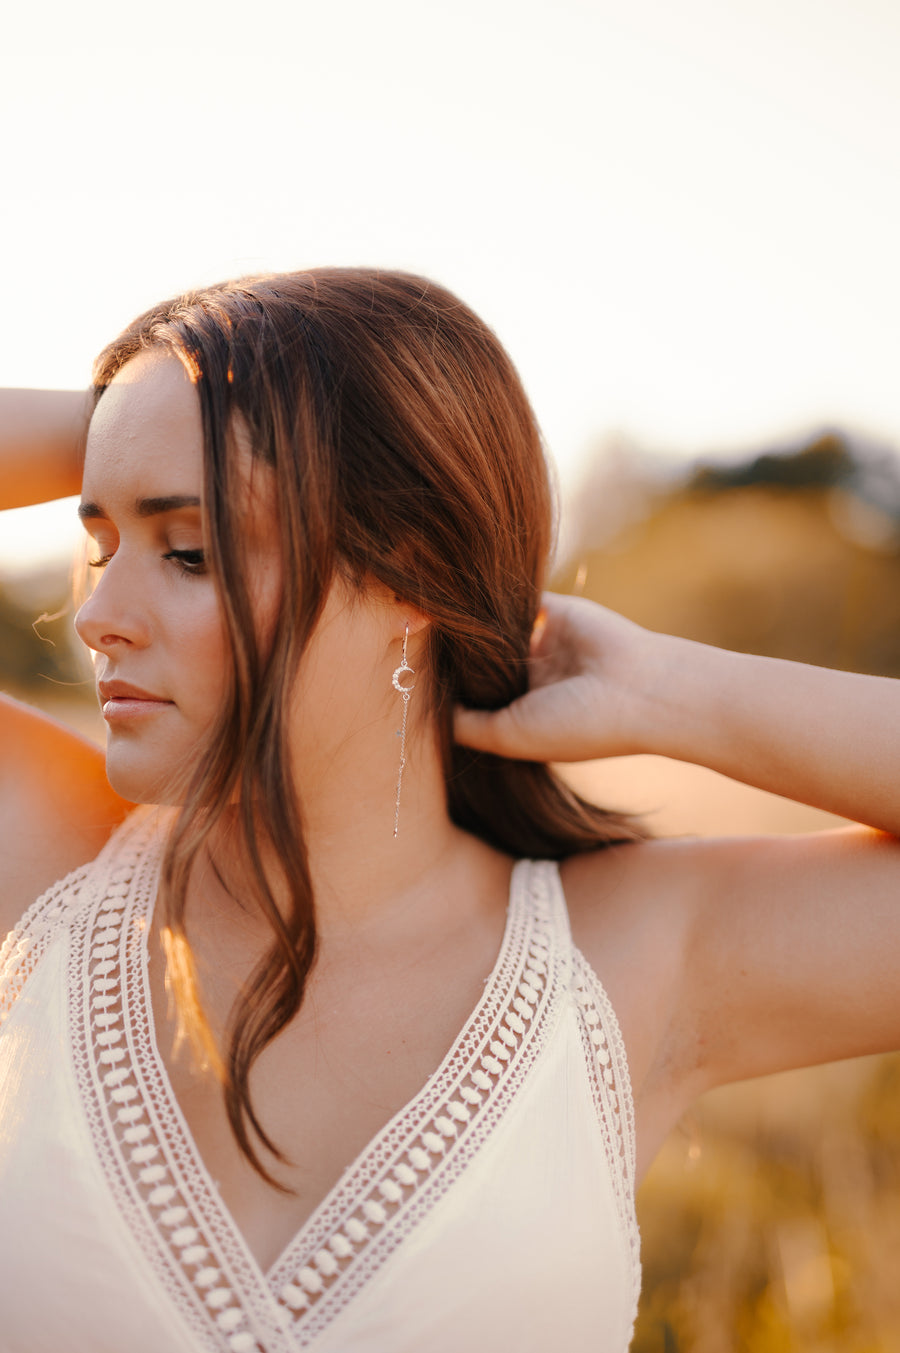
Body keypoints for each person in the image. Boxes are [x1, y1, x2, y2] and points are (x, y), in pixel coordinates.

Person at [0, 268, 898, 1353]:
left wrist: (674, 693)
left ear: (411, 569)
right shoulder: (45, 870)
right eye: (100, 544)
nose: (97, 614)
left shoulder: (631, 955)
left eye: (187, 550)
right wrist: (136, 414)